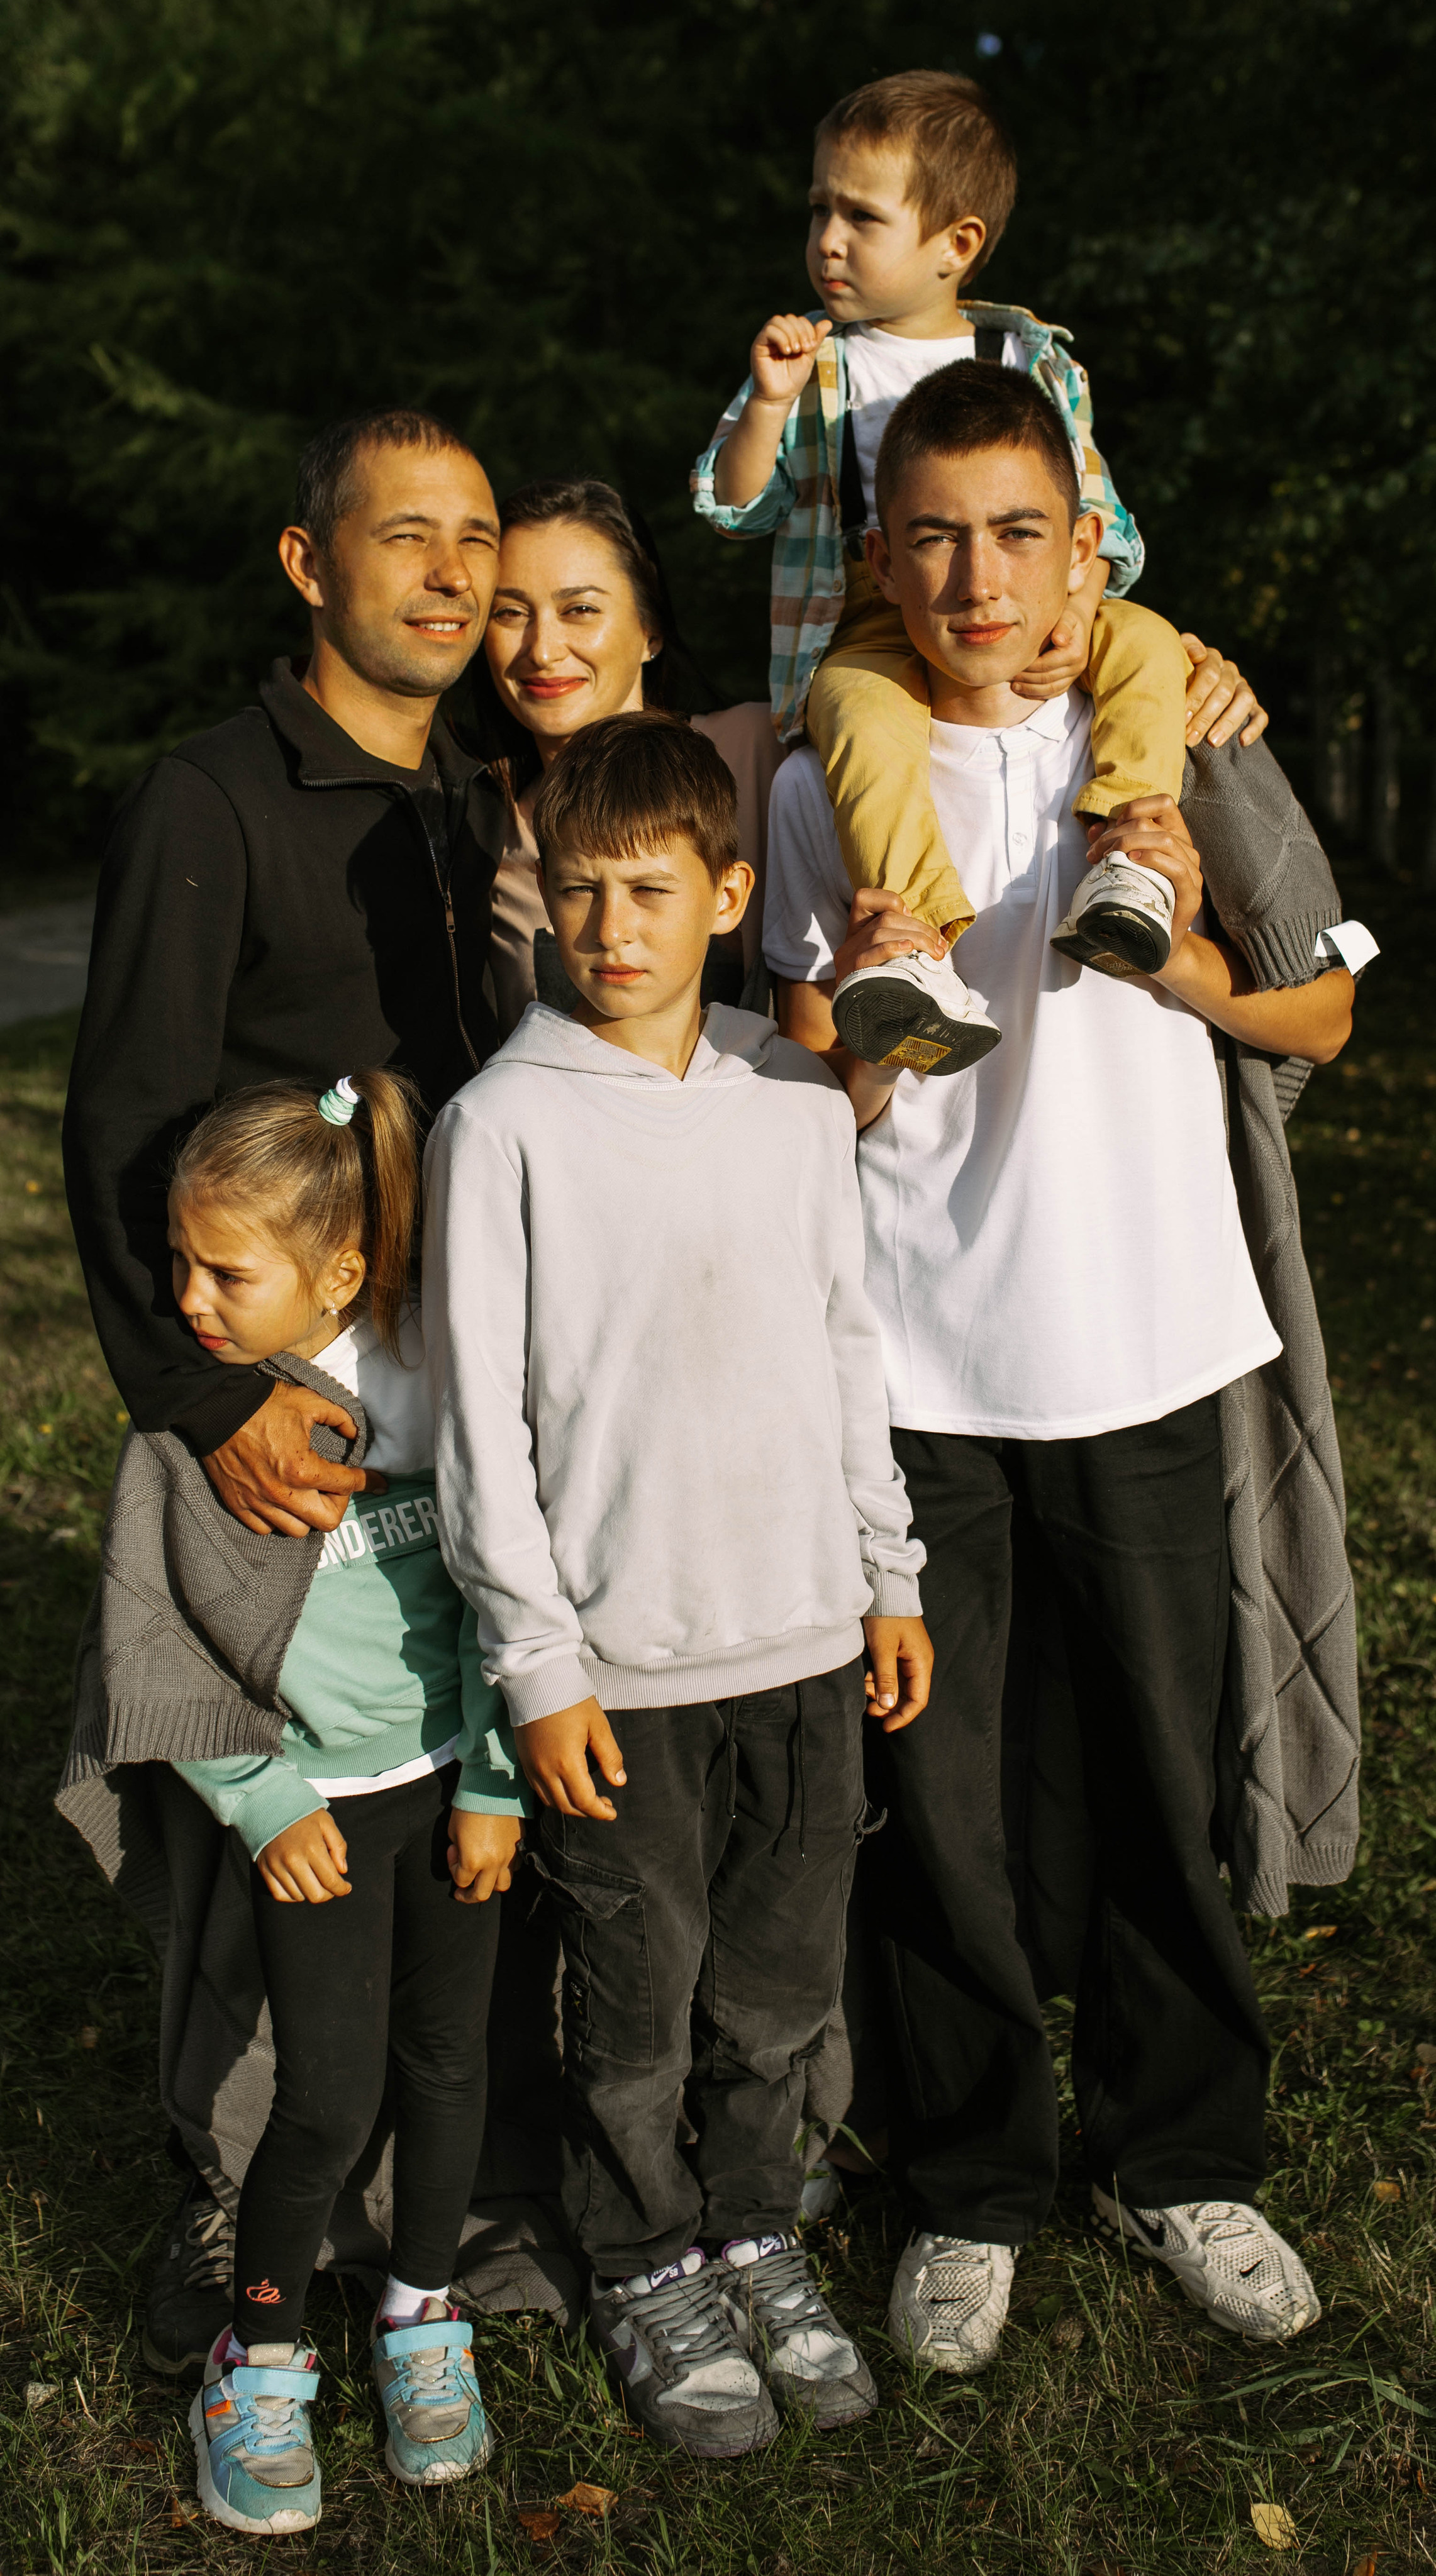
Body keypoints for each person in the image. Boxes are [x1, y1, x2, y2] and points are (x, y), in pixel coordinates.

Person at [763, 359, 1360, 2372]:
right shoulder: (814, 776)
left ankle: (1181, 2150)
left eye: (1013, 530)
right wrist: (846, 1025)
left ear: (1079, 547)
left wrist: (1167, 951)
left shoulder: (1181, 737)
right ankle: (970, 2179)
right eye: (929, 533)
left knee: (1155, 1773)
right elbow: (802, 1108)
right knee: (934, 1806)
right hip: (913, 1379)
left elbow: (1319, 1026)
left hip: (1141, 1349)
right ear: (877, 553)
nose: (973, 573)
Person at [60, 408, 531, 2373]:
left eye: (474, 537)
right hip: (275, 1417)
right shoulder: (216, 797)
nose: (446, 570)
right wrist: (198, 1391)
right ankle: (222, 2193)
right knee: (244, 1829)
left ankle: (451, 2194)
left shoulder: (477, 800)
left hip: (452, 1397)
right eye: (401, 534)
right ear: (305, 562)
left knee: (437, 1804)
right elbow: (119, 1126)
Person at [423, 711, 932, 2454]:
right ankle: (645, 2261)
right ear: (543, 906)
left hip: (800, 1642)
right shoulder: (502, 1129)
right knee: (634, 2010)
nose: (611, 927)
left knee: (780, 1992)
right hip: (620, 1671)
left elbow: (846, 1344)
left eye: (649, 890)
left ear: (727, 894)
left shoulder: (791, 1099)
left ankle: (757, 2232)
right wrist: (539, 1664)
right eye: (578, 893)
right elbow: (480, 1423)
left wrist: (887, 1570)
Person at [70, 1068, 524, 2531]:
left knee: (451, 2069)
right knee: (329, 2097)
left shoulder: (430, 1381)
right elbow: (154, 1643)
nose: (188, 1302)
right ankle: (257, 2356)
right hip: (317, 1816)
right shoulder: (196, 1442)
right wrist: (265, 1799)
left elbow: (509, 1595)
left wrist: (498, 1781)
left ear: (337, 1270)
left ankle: (420, 2318)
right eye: (181, 1264)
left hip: (453, 1792)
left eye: (226, 1270)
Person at [693, 67, 1269, 1073]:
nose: (826, 239)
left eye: (859, 217)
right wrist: (770, 406)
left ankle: (1131, 853)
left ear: (954, 244)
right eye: (817, 209)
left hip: (1036, 608)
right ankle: (913, 943)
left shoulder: (1033, 361)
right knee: (862, 721)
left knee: (1144, 645)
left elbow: (1102, 520)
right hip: (876, 622)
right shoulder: (814, 368)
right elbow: (733, 505)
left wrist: (1080, 611)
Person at [469, 474, 783, 1031]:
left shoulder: (758, 754)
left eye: (580, 610)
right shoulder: (479, 829)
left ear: (650, 631)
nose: (541, 650)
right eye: (510, 613)